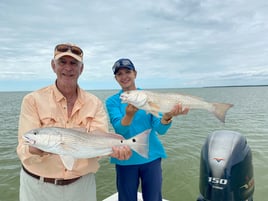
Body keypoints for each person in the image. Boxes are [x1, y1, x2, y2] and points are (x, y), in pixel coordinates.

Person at [16, 43, 131, 201]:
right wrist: (38, 148)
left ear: (81, 69)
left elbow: (98, 144)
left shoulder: (94, 103)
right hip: (38, 187)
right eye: (62, 62)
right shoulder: (32, 100)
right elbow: (23, 147)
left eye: (73, 63)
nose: (68, 68)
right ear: (53, 65)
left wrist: (117, 149)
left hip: (82, 187)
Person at [105, 58, 189, 201]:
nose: (124, 76)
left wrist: (168, 116)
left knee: (153, 198)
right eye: (119, 74)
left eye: (127, 72)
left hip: (151, 157)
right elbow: (121, 131)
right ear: (116, 78)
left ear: (135, 73)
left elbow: (160, 129)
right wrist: (129, 115)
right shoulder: (112, 101)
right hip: (125, 158)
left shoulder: (149, 97)